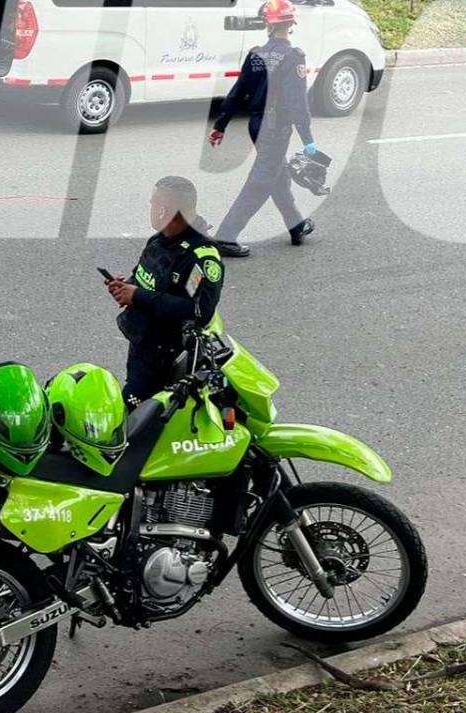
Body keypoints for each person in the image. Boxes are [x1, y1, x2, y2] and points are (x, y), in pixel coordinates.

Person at [208, 0, 318, 257]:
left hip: (256, 125)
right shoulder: (293, 57)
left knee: (277, 174)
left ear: (267, 24)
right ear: (291, 23)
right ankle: (226, 236)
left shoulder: (255, 54)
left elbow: (238, 92)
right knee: (261, 179)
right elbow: (296, 103)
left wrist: (220, 125)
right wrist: (308, 139)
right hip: (276, 126)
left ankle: (297, 225)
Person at [105, 177, 225, 410]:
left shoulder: (201, 257)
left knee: (130, 416)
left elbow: (200, 311)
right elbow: (143, 278)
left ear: (164, 210)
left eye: (153, 202)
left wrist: (138, 296)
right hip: (143, 346)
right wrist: (125, 288)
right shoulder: (159, 241)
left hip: (165, 356)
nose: (150, 207)